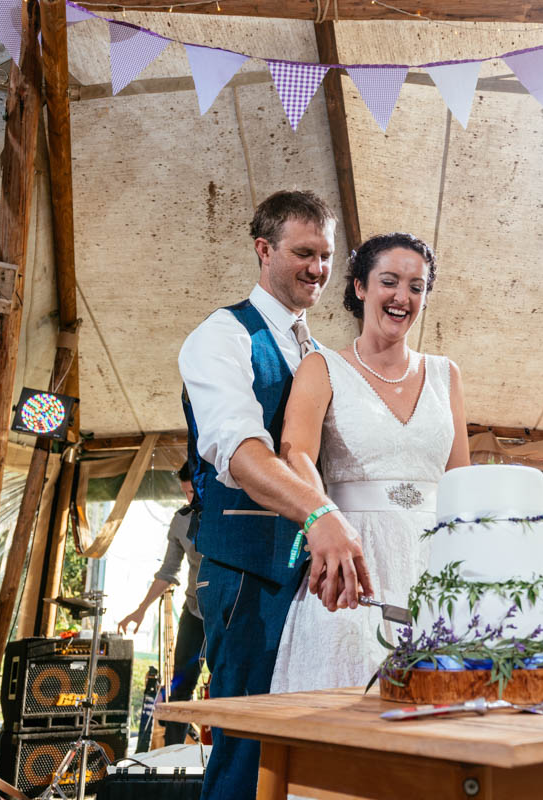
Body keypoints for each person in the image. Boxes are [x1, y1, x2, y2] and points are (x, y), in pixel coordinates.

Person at [179, 190, 375, 800]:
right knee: (249, 745)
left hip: (318, 581)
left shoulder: (319, 353)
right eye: (304, 253)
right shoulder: (221, 336)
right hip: (247, 573)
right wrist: (318, 514)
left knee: (312, 746)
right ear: (264, 250)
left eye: (326, 255)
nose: (318, 268)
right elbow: (240, 452)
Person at [270, 233, 470, 693]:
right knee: (347, 705)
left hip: (435, 567)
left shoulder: (446, 375)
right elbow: (294, 453)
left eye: (416, 287)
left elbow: (460, 479)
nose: (403, 297)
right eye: (389, 281)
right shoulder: (321, 367)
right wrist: (324, 519)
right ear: (360, 287)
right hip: (353, 563)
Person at [117, 463, 204, 746]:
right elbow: (168, 572)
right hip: (194, 613)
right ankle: (173, 755)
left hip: (228, 615)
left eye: (194, 491)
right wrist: (140, 610)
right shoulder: (180, 520)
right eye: (186, 492)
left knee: (228, 688)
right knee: (180, 687)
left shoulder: (227, 517)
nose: (190, 498)